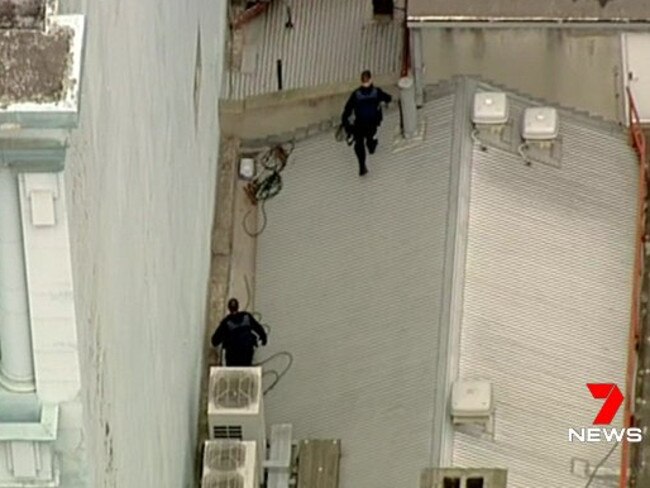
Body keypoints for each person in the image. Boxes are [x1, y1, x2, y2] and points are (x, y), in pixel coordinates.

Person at [341, 70, 392, 176]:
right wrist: (385, 102)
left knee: (359, 144)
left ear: (361, 81)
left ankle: (362, 166)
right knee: (370, 137)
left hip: (359, 124)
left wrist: (347, 126)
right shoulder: (376, 92)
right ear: (371, 79)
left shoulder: (356, 95)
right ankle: (371, 146)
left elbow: (347, 111)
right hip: (372, 123)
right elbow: (388, 98)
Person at [211, 298, 268, 367]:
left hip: (232, 356)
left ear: (229, 308)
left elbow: (215, 340)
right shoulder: (246, 317)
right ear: (238, 307)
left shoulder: (226, 322)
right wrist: (264, 339)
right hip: (247, 353)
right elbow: (258, 328)